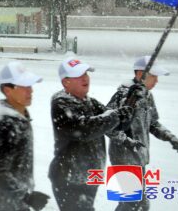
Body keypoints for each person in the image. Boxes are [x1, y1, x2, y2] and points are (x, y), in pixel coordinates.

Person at [49, 56, 136, 211]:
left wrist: (131, 101)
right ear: (65, 82)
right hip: (69, 177)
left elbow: (116, 125)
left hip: (89, 176)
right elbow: (83, 129)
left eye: (86, 74)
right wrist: (117, 116)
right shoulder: (61, 102)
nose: (85, 78)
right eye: (79, 75)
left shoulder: (90, 102)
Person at [106, 56, 178, 211]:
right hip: (123, 158)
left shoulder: (146, 95)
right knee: (132, 203)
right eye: (154, 76)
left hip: (138, 157)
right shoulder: (124, 95)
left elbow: (153, 124)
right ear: (140, 74)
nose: (157, 81)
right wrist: (127, 141)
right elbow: (107, 126)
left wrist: (170, 137)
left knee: (136, 203)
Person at [0, 61, 49, 211]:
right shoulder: (7, 124)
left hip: (14, 202)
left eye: (30, 86)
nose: (30, 91)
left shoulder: (19, 118)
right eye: (24, 86)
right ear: (7, 90)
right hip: (1, 204)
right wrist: (26, 196)